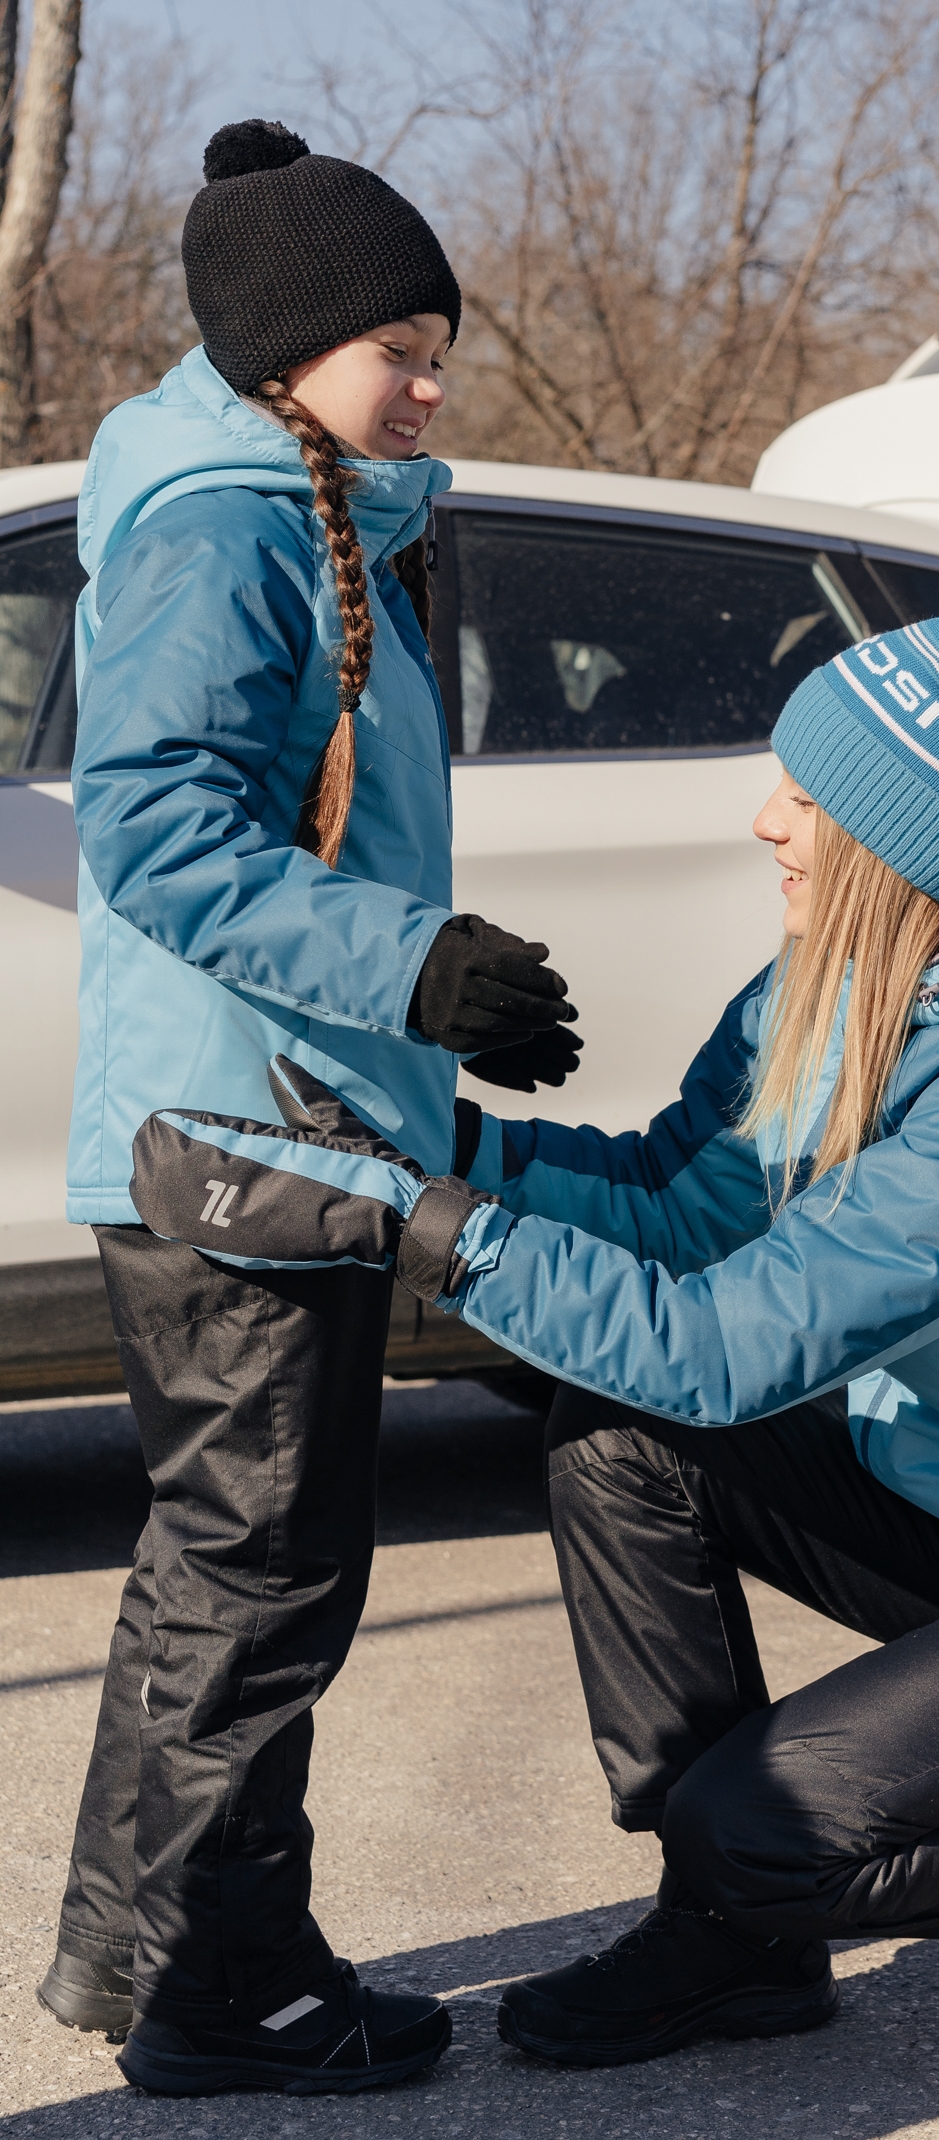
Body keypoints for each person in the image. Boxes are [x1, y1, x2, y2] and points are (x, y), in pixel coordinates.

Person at [133, 610, 939, 2064]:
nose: (767, 822)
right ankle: (731, 1938)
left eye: (809, 802)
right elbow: (680, 1211)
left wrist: (411, 1228)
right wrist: (439, 1146)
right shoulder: (832, 993)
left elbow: (730, 1350)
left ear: (913, 845)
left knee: (770, 1822)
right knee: (618, 1443)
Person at [38, 120, 580, 2099]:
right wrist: (409, 970)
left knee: (265, 1568)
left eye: (441, 345)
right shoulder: (229, 523)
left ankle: (234, 1956)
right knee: (252, 1571)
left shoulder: (313, 501)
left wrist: (430, 1018)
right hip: (230, 1140)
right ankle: (189, 1977)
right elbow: (164, 833)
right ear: (286, 353)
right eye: (399, 349)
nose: (431, 385)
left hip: (287, 1125)